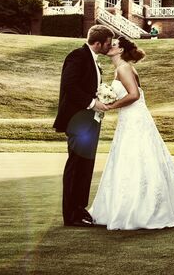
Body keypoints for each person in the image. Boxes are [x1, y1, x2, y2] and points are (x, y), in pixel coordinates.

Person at [89, 36, 174, 230]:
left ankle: (145, 210)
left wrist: (110, 106)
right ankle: (130, 206)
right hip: (129, 118)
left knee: (138, 157)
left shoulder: (124, 68)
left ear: (120, 50)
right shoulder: (119, 69)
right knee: (130, 158)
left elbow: (134, 95)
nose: (110, 47)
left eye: (114, 45)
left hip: (134, 118)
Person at [54, 25, 114, 227]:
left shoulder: (94, 62)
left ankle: (80, 208)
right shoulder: (77, 56)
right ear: (98, 43)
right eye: (108, 43)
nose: (110, 46)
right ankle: (70, 215)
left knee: (86, 165)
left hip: (90, 120)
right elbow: (70, 87)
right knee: (76, 164)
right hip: (77, 119)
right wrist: (93, 103)